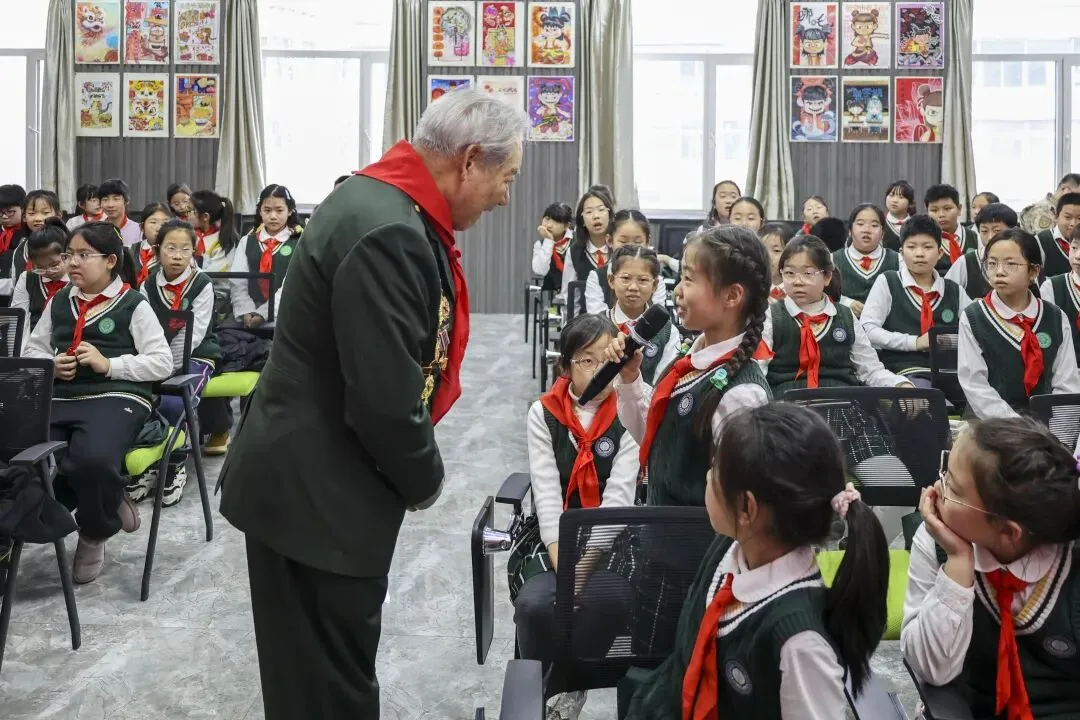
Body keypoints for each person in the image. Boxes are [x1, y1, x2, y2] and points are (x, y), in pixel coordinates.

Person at [217, 89, 527, 720]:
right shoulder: (389, 231)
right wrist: (424, 478)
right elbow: (384, 399)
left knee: (312, 675)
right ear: (470, 160)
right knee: (329, 687)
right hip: (316, 494)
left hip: (306, 480)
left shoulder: (378, 200)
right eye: (507, 177)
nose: (505, 197)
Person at [624, 403, 889, 719]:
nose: (707, 477)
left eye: (715, 471)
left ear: (746, 508)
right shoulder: (729, 547)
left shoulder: (800, 643)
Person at [23, 221, 173, 583]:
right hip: (61, 395)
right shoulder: (60, 301)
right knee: (23, 453)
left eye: (83, 255)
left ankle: (94, 531)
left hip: (117, 395)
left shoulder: (133, 304)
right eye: (69, 254)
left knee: (92, 459)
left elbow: (162, 362)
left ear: (110, 261)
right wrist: (50, 365)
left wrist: (110, 365)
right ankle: (108, 494)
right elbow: (32, 350)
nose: (72, 262)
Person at [902, 417, 1080, 719]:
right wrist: (958, 563)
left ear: (1008, 532)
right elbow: (931, 670)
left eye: (953, 488)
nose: (936, 489)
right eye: (944, 472)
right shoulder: (936, 540)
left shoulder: (1071, 564)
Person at [513, 313, 638, 720]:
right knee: (536, 605)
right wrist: (564, 567)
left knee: (614, 599)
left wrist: (581, 573)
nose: (600, 371)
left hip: (612, 539)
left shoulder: (630, 411)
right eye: (587, 360)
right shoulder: (544, 413)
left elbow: (618, 500)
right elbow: (547, 496)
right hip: (555, 538)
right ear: (565, 366)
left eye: (608, 360)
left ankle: (573, 682)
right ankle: (543, 687)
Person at [605, 224, 772, 508]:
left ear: (732, 296)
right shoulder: (691, 359)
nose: (678, 291)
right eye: (680, 278)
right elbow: (657, 436)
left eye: (689, 279)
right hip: (662, 528)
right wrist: (631, 378)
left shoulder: (741, 395)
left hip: (694, 536)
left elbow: (737, 503)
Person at [129, 219, 219, 507]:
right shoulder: (148, 284)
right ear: (158, 249)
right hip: (156, 356)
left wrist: (165, 366)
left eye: (184, 249)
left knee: (175, 401)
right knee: (140, 400)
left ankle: (175, 464)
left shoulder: (202, 284)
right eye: (170, 248)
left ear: (194, 251)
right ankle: (150, 465)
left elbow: (195, 335)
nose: (177, 256)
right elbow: (143, 329)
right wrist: (154, 363)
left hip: (195, 355)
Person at [762, 234, 912, 394]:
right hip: (787, 402)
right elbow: (759, 369)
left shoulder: (845, 316)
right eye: (790, 273)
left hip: (841, 401)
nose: (797, 281)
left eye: (808, 273)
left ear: (827, 277)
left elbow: (870, 370)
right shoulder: (772, 316)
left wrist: (900, 384)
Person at [959, 228, 1080, 419]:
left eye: (1011, 264)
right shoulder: (974, 317)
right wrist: (1018, 426)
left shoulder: (1055, 317)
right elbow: (975, 384)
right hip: (990, 424)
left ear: (1033, 271)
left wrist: (1054, 424)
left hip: (1045, 423)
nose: (999, 271)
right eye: (992, 263)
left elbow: (1066, 383)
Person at [861, 214, 970, 385]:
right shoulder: (888, 282)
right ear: (901, 253)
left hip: (952, 371)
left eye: (928, 247)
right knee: (925, 393)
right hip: (904, 371)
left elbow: (973, 330)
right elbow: (868, 330)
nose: (919, 254)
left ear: (940, 253)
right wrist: (915, 342)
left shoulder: (954, 290)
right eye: (911, 247)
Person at [190, 189, 239, 456]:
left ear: (205, 216)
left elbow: (221, 284)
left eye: (190, 211)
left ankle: (219, 427)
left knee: (210, 358)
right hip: (187, 306)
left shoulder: (226, 243)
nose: (186, 215)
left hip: (220, 312)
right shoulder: (187, 238)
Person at [230, 184, 302, 329]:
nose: (273, 216)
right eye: (267, 210)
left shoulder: (299, 242)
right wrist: (247, 312)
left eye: (279, 210)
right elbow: (238, 282)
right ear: (260, 211)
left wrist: (264, 314)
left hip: (286, 315)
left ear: (289, 211)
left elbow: (292, 286)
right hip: (249, 316)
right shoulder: (247, 241)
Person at [605, 245, 680, 384]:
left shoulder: (668, 332)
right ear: (611, 280)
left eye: (643, 280)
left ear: (655, 285)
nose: (633, 287)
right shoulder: (595, 326)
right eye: (626, 278)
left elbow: (663, 384)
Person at [585, 209, 666, 314]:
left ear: (647, 242)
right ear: (609, 241)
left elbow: (658, 316)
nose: (630, 248)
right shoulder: (596, 277)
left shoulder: (656, 280)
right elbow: (596, 317)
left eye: (638, 242)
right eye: (623, 241)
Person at [11, 217, 69, 351]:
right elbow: (20, 322)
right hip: (31, 348)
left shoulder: (78, 280)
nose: (48, 271)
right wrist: (24, 356)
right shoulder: (28, 278)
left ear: (67, 255)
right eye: (40, 267)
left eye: (54, 265)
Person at [831, 203, 901, 315]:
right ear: (850, 230)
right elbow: (821, 294)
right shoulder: (831, 260)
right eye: (860, 224)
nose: (867, 230)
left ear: (883, 233)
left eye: (874, 225)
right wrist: (846, 303)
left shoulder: (899, 260)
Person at [946, 202, 1018, 301]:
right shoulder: (966, 262)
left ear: (1013, 231)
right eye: (984, 231)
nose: (990, 237)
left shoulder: (1023, 259)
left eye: (997, 231)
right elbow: (947, 295)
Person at [562, 185, 615, 312]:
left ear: (610, 215)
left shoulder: (620, 248)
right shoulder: (574, 252)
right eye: (589, 212)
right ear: (582, 221)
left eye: (601, 210)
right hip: (586, 320)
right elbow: (570, 295)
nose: (596, 216)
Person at [1040, 224, 1080, 364]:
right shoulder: (1051, 287)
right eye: (1074, 248)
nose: (1077, 256)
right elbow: (1049, 336)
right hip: (1067, 370)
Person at [12, 190, 64, 285]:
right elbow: (15, 282)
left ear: (58, 215)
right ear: (24, 217)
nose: (38, 218)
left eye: (45, 212)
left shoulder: (68, 244)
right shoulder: (20, 250)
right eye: (32, 213)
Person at [925, 184, 978, 273]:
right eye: (934, 210)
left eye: (947, 209)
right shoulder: (925, 238)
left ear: (959, 209)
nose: (941, 215)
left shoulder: (975, 237)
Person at [1034, 191, 1080, 279]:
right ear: (1056, 217)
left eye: (1079, 218)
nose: (1073, 223)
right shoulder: (1041, 240)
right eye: (1068, 217)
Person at [530, 201, 573, 292]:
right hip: (552, 295)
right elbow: (540, 271)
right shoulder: (540, 244)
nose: (549, 225)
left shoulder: (578, 240)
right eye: (547, 219)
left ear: (566, 225)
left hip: (576, 293)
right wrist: (548, 241)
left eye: (556, 222)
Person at [130, 202, 171, 287]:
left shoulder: (176, 253)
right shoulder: (130, 250)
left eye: (165, 223)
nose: (159, 228)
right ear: (142, 227)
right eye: (153, 222)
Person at [0, 184, 28, 299]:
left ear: (23, 209)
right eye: (0, 212)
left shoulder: (29, 232)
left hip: (20, 289)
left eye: (10, 212)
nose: (4, 216)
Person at [99, 178, 143, 247]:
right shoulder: (95, 231)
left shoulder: (139, 231)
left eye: (116, 199)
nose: (110, 205)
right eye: (105, 199)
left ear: (126, 201)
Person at [759, 222, 794, 301]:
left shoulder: (798, 290)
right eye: (763, 250)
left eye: (776, 250)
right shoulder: (751, 290)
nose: (768, 256)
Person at [883, 180, 917, 251]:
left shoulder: (917, 225)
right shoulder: (880, 223)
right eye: (891, 195)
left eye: (901, 197)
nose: (895, 200)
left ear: (910, 203)